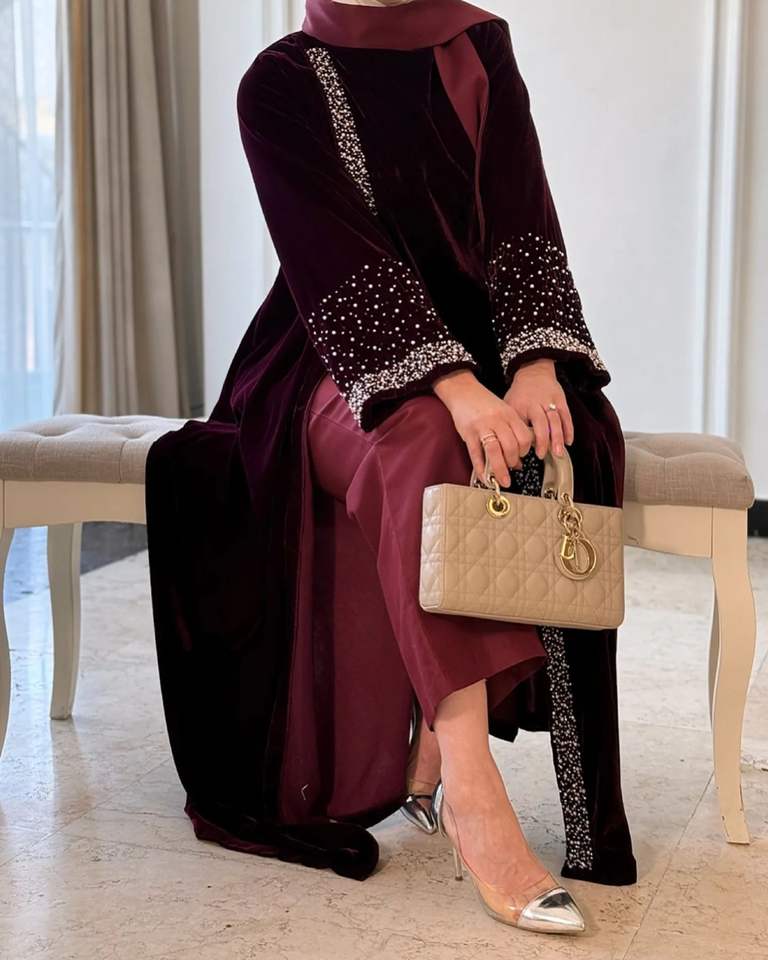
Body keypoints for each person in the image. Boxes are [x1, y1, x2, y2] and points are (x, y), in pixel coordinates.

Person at [143, 0, 637, 938]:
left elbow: (523, 211)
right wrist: (454, 387)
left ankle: (447, 758)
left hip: (490, 346)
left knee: (566, 434)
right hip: (325, 360)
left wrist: (536, 364)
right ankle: (472, 790)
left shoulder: (477, 42)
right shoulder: (280, 81)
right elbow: (336, 262)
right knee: (425, 443)